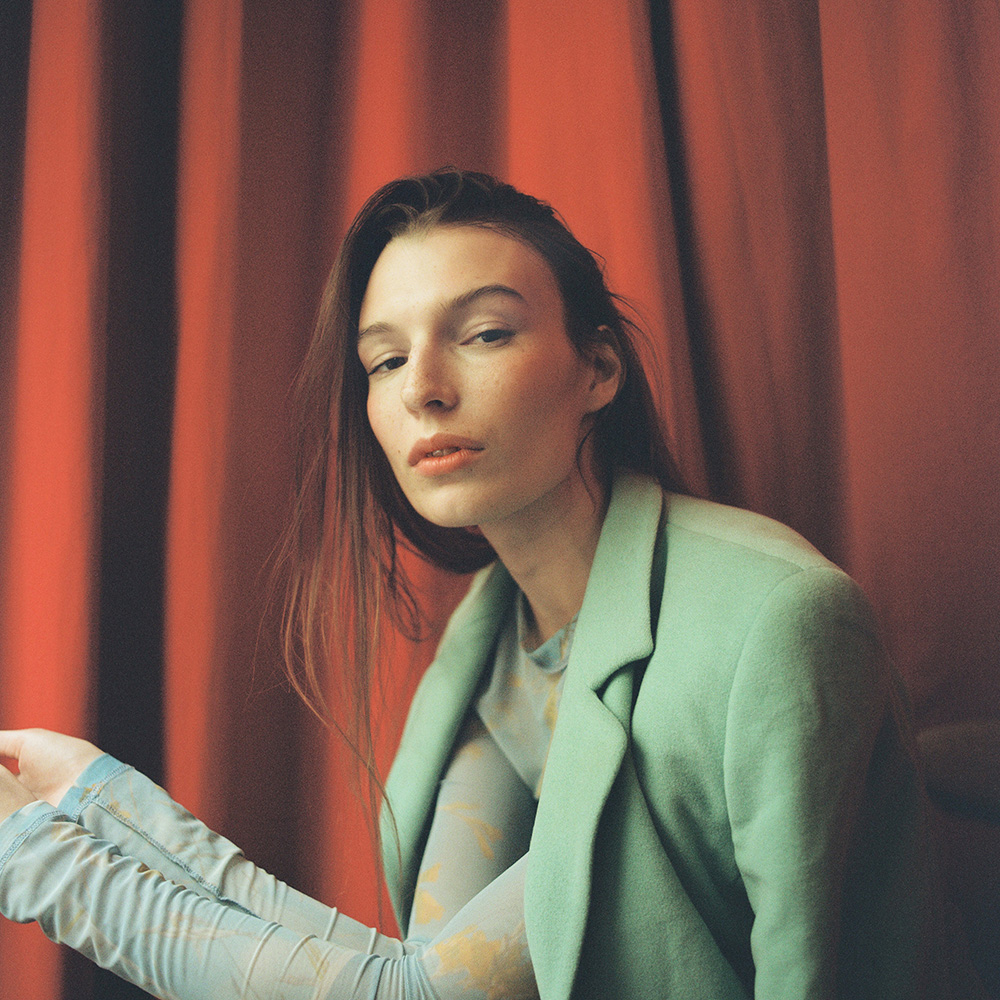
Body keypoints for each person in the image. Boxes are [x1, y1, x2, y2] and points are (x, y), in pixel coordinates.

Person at [0, 169, 979, 999]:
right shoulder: (492, 644)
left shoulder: (774, 623)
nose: (423, 385)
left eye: (483, 334)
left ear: (597, 367)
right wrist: (96, 795)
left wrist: (38, 861)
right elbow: (413, 974)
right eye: (384, 358)